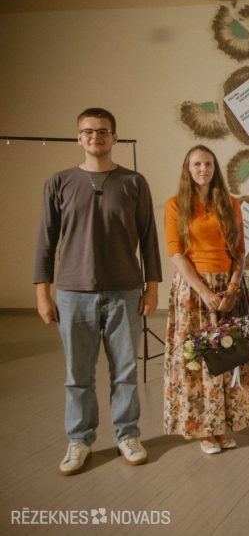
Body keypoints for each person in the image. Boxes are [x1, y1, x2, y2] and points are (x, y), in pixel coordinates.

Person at [34, 107, 161, 475]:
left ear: (114, 137)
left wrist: (151, 288)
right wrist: (43, 293)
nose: (95, 136)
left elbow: (149, 239)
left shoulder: (133, 182)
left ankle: (127, 435)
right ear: (79, 137)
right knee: (78, 375)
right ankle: (79, 440)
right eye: (88, 131)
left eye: (103, 131)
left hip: (125, 291)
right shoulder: (59, 182)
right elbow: (45, 242)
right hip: (73, 293)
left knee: (125, 372)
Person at [163, 145, 249, 454]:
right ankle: (205, 430)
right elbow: (176, 253)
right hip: (194, 290)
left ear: (215, 168)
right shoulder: (175, 205)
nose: (203, 169)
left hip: (228, 287)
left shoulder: (230, 203)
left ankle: (223, 426)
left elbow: (239, 252)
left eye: (208, 163)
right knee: (199, 359)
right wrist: (205, 291)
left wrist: (233, 289)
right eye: (197, 164)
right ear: (188, 168)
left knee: (230, 355)